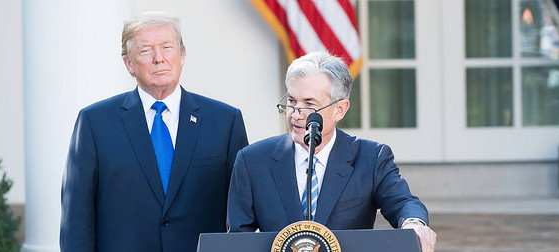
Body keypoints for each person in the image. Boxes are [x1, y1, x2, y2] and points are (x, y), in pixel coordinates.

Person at [60, 11, 248, 252]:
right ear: (128, 63)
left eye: (167, 47)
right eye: (146, 50)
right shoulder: (94, 123)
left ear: (181, 55)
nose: (159, 58)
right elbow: (76, 218)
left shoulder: (225, 121)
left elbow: (242, 213)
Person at [227, 51, 436, 251]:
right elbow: (237, 238)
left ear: (340, 109)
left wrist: (414, 224)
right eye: (291, 102)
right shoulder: (252, 160)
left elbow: (403, 202)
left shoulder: (371, 157)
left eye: (309, 104)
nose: (295, 114)